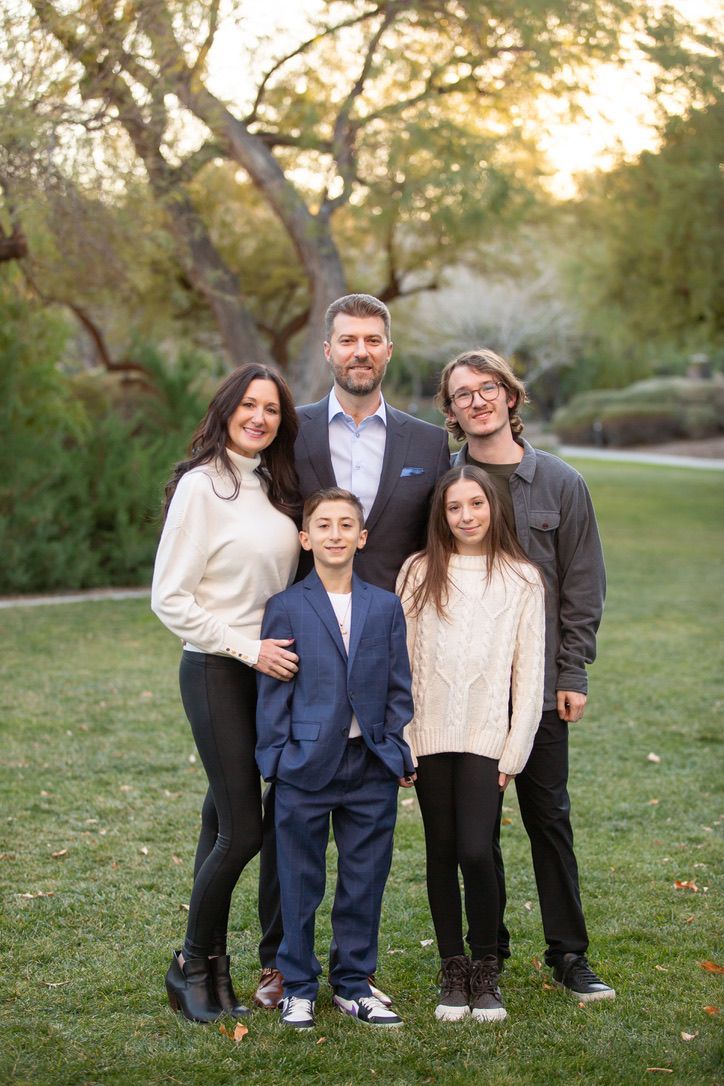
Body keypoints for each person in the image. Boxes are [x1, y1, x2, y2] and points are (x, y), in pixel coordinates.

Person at [254, 292, 450, 1009]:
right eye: (347, 340)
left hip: (384, 641)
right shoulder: (292, 431)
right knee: (290, 842)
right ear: (329, 350)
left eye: (373, 339)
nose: (360, 351)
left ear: (387, 351)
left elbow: (441, 539)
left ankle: (353, 974)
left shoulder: (428, 444)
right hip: (302, 646)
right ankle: (283, 965)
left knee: (365, 857)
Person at [437, 348, 615, 1002]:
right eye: (463, 393)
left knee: (549, 820)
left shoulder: (562, 484)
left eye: (489, 388)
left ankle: (569, 955)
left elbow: (583, 587)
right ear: (452, 412)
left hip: (538, 692)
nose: (478, 400)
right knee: (474, 835)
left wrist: (574, 671)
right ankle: (490, 955)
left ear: (511, 397)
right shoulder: (443, 485)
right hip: (467, 696)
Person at [151, 363, 302, 1023]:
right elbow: (170, 599)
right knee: (245, 830)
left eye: (271, 408)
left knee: (220, 821)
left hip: (264, 676)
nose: (260, 417)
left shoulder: (274, 485)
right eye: (248, 405)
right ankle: (189, 960)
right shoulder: (201, 487)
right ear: (225, 409)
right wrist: (249, 650)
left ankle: (213, 965)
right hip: (217, 669)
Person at [255, 488, 416, 1030]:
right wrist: (275, 760)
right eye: (323, 525)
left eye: (347, 525)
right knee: (299, 880)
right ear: (306, 538)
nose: (335, 534)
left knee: (364, 877)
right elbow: (273, 692)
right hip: (304, 766)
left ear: (362, 537)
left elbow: (398, 686)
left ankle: (353, 983)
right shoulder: (286, 606)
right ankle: (298, 983)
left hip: (369, 764)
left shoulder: (385, 605)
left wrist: (394, 747)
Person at [397, 465, 545, 1021]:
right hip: (428, 733)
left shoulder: (522, 578)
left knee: (476, 851)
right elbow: (402, 662)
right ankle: (452, 966)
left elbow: (528, 674)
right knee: (440, 851)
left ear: (494, 508)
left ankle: (487, 966)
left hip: (488, 735)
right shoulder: (417, 573)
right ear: (442, 514)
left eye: (476, 505)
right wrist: (404, 738)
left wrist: (516, 747)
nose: (466, 516)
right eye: (455, 507)